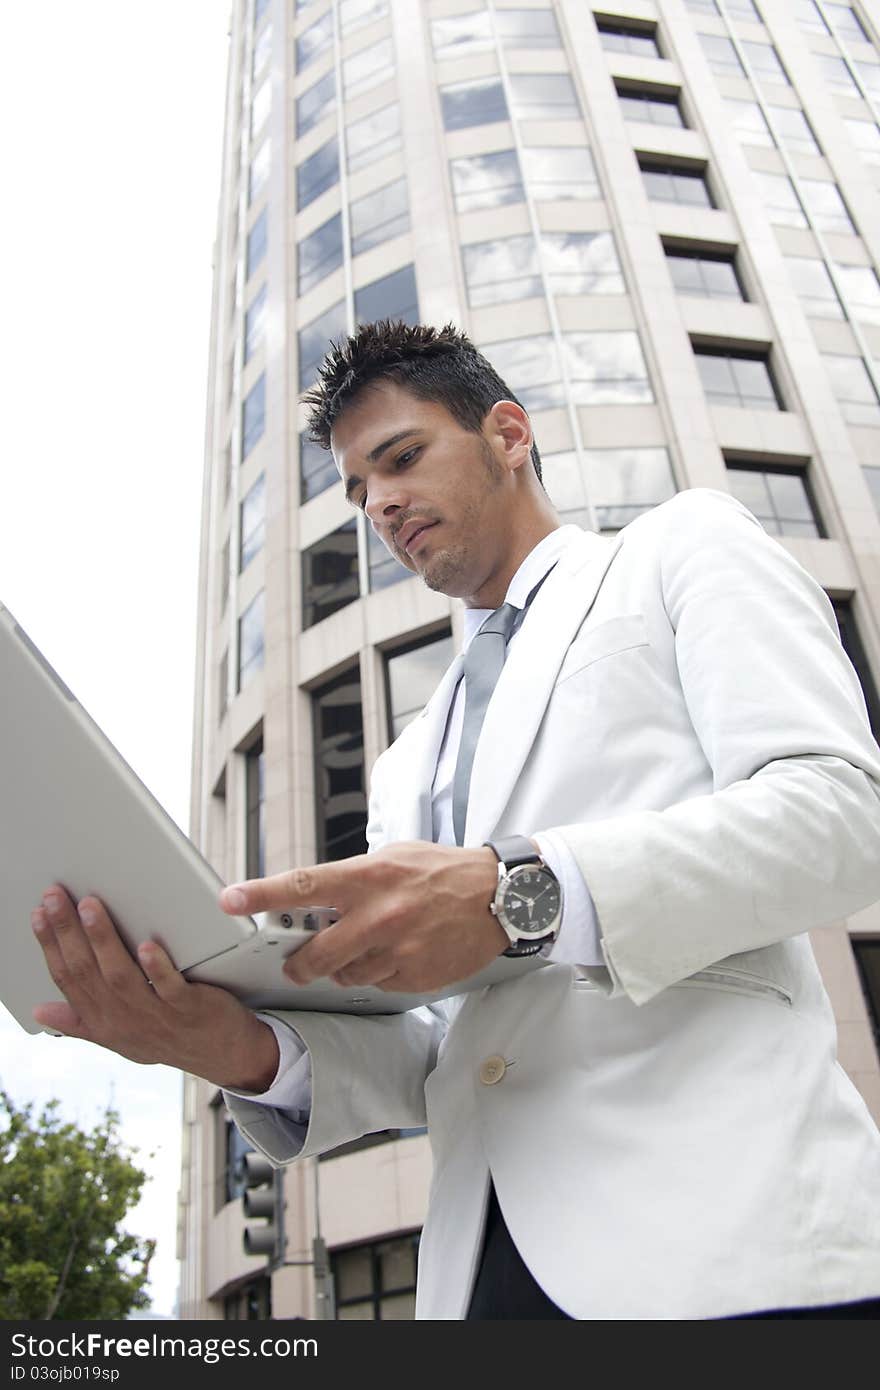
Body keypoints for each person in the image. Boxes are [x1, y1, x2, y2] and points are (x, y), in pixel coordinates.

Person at [32, 321, 880, 1320]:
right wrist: (233, 1046)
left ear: (507, 433)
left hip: (729, 1239)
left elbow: (845, 820)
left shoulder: (678, 548)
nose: (379, 503)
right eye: (358, 488)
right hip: (481, 1262)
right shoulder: (406, 763)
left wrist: (521, 889)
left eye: (400, 458)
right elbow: (438, 1049)